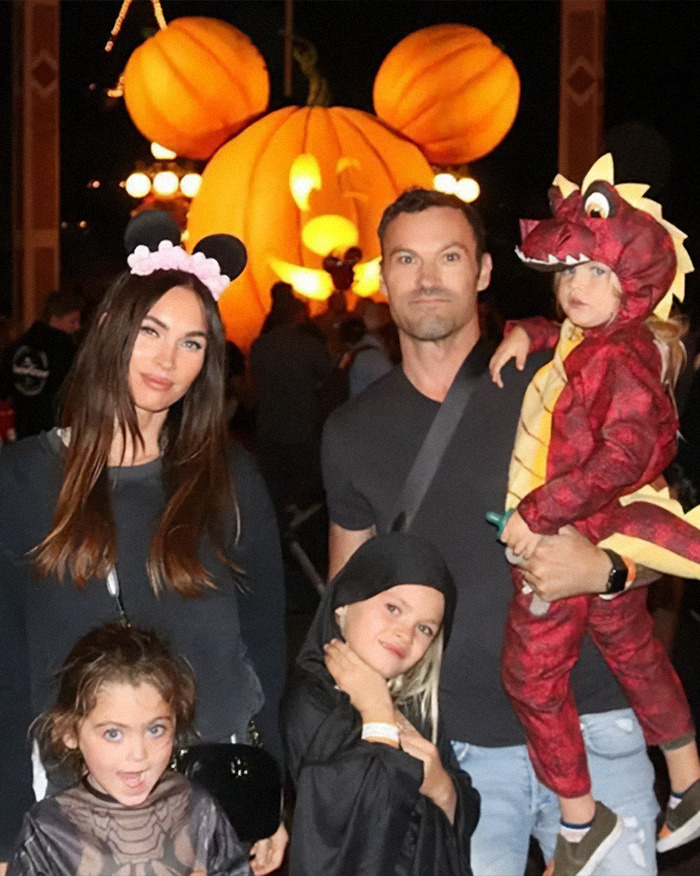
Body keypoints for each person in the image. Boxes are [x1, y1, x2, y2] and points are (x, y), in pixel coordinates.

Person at [322, 187, 661, 876]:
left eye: (449, 257)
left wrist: (606, 572)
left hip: (596, 723)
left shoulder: (570, 379)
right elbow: (346, 604)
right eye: (406, 259)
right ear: (383, 278)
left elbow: (664, 539)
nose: (426, 278)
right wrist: (390, 737)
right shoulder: (352, 433)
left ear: (481, 271)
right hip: (458, 748)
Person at [0, 220, 287, 874]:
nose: (167, 360)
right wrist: (7, 818)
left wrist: (271, 791)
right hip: (77, 804)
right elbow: (7, 665)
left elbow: (265, 646)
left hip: (213, 795)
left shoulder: (230, 478)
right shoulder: (24, 480)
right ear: (108, 330)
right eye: (150, 332)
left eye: (192, 343)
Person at [488, 154, 700, 873]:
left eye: (595, 273)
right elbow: (575, 337)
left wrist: (542, 513)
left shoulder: (628, 359)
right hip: (583, 530)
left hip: (572, 532)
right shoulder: (603, 339)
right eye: (568, 273)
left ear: (635, 284)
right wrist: (528, 329)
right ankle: (691, 780)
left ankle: (582, 819)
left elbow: (621, 459)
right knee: (634, 651)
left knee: (531, 675)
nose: (575, 287)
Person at [281, 532, 480, 875]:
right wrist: (377, 715)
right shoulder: (312, 700)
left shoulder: (415, 705)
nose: (404, 633)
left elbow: (456, 808)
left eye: (425, 628)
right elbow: (355, 831)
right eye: (392, 608)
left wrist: (442, 788)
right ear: (343, 605)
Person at [8, 623, 251, 875]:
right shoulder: (49, 830)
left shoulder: (197, 809)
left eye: (155, 729)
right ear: (68, 732)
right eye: (113, 734)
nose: (138, 755)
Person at [0, 289, 82, 439]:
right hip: (52, 436)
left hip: (17, 435)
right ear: (55, 318)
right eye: (72, 320)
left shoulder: (16, 348)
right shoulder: (65, 354)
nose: (77, 326)